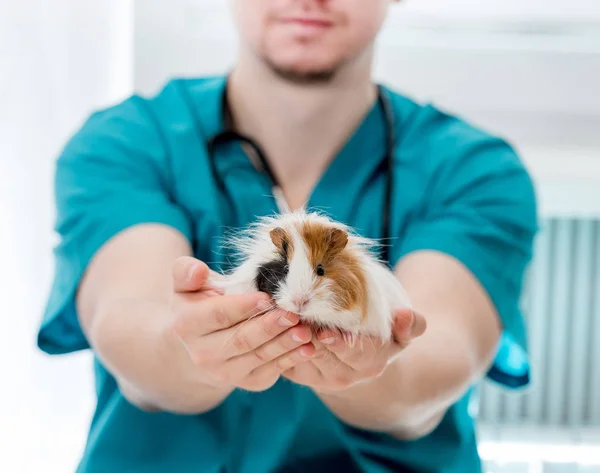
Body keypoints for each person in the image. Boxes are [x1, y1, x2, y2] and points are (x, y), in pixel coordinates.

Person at [37, 1, 539, 472]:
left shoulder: (475, 171)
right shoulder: (123, 143)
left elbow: (440, 356)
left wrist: (376, 364)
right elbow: (128, 322)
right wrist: (189, 346)